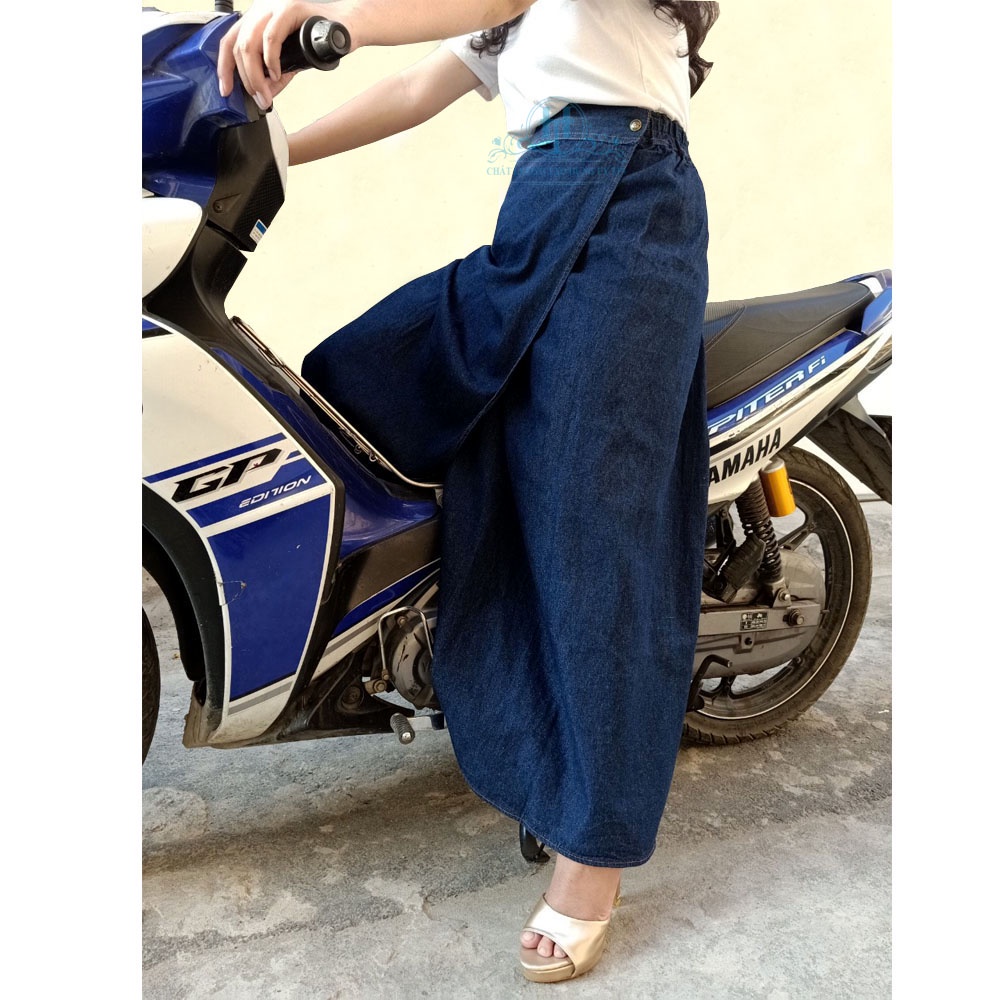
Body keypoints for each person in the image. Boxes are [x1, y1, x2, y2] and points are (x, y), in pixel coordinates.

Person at [218, 0, 720, 983]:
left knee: (594, 534)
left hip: (630, 211)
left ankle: (594, 857)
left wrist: (335, 18)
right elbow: (416, 89)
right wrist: (265, 157)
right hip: (542, 208)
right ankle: (486, 688)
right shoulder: (510, 27)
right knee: (354, 378)